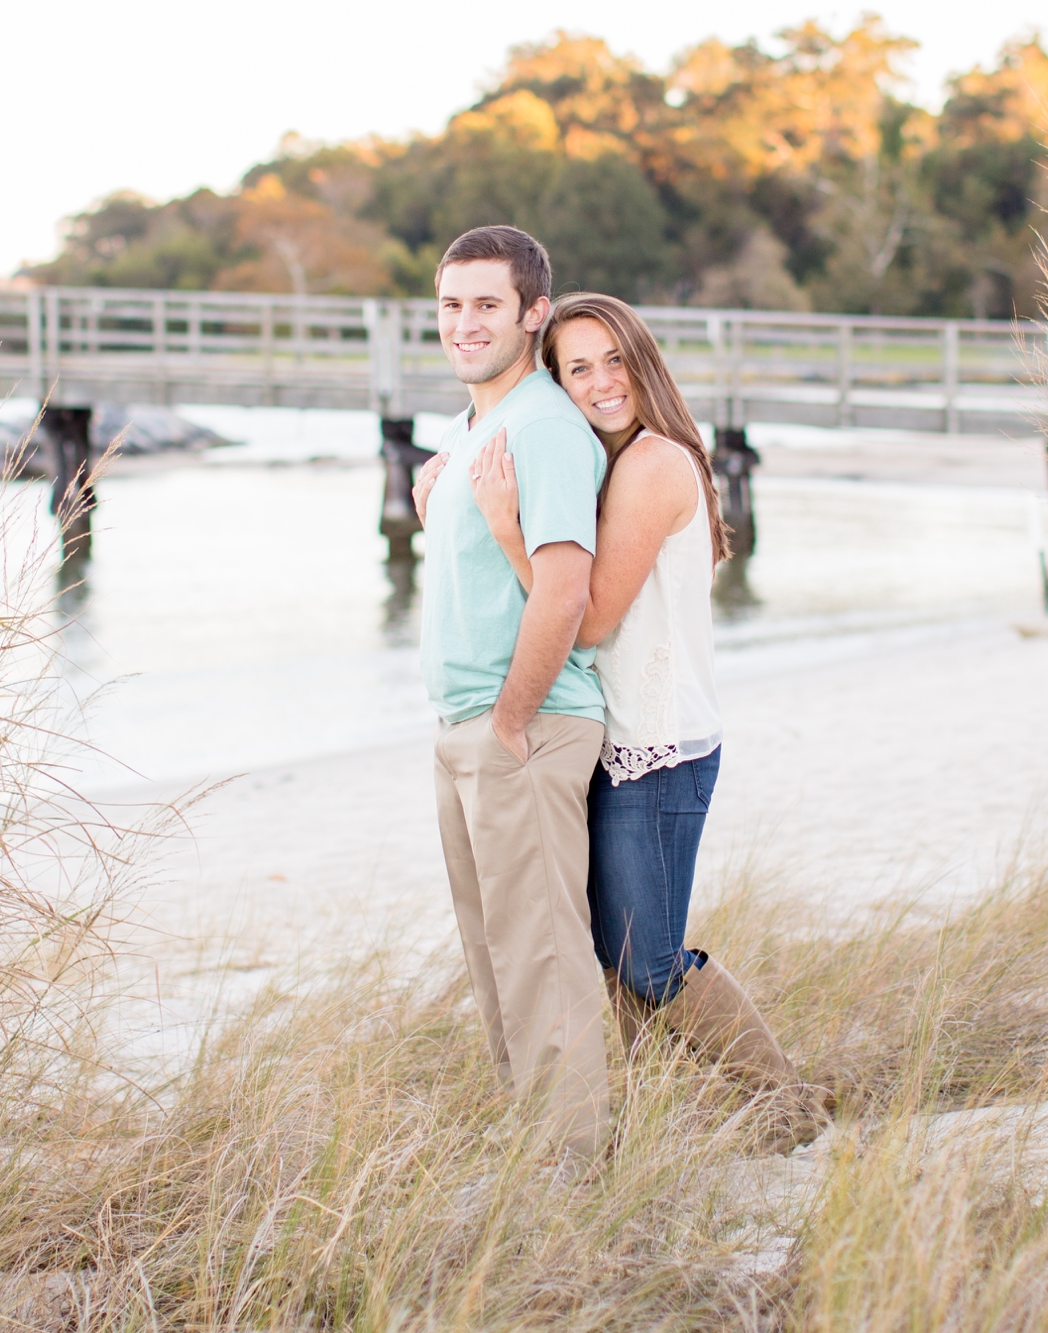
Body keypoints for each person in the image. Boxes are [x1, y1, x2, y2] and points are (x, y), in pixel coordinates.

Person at [416, 292, 830, 1153]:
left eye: (615, 360)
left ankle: (788, 1101)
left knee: (648, 959)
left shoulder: (652, 465)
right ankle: (662, 1120)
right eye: (578, 368)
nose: (601, 382)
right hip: (615, 741)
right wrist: (450, 482)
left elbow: (592, 617)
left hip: (662, 747)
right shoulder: (599, 464)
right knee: (612, 958)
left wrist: (501, 524)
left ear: (643, 362)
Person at [415, 226, 613, 1161]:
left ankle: (574, 1172)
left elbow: (566, 586)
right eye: (452, 304)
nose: (465, 323)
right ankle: (535, 1152)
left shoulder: (541, 425)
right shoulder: (475, 428)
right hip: (466, 728)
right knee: (495, 959)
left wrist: (509, 718)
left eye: (488, 304)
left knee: (541, 959)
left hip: (524, 728)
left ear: (535, 314)